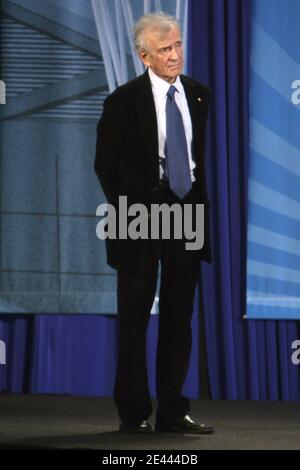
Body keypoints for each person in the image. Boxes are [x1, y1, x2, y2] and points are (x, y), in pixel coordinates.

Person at [95, 12, 213, 435]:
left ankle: (173, 411)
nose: (174, 55)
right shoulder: (123, 100)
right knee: (135, 317)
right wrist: (131, 213)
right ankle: (132, 413)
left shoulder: (199, 95)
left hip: (186, 212)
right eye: (164, 50)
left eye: (178, 45)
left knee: (179, 317)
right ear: (144, 56)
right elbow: (104, 166)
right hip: (139, 215)